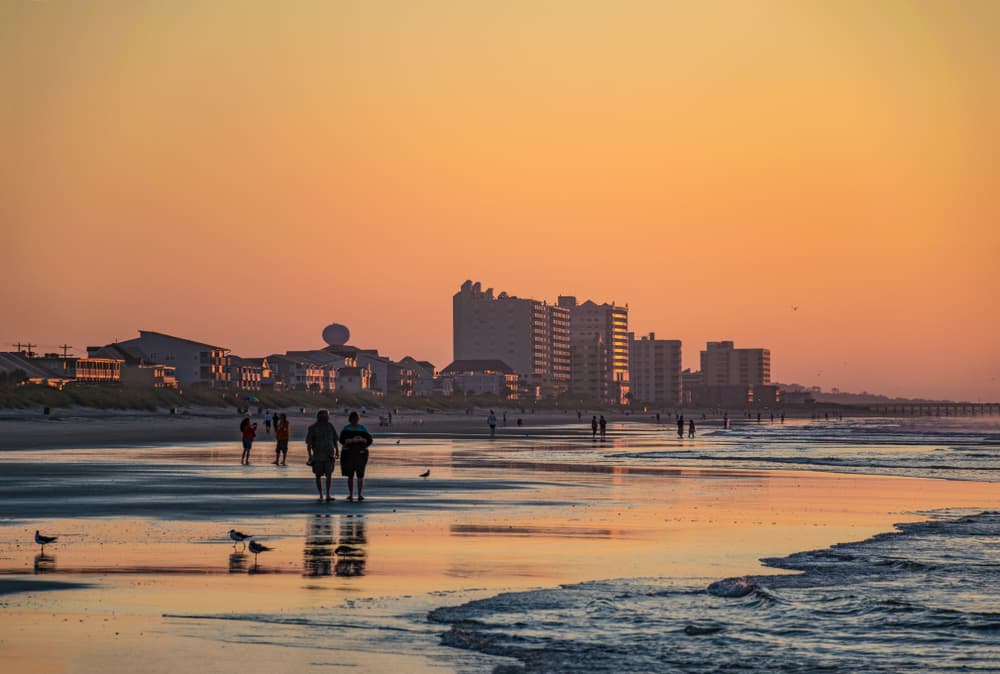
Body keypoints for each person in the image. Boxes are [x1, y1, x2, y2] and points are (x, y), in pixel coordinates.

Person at [339, 411, 373, 502]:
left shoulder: (362, 429)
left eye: (356, 419)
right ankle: (350, 494)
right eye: (353, 419)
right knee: (350, 475)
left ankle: (360, 494)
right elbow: (342, 440)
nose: (355, 421)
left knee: (360, 474)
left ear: (358, 419)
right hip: (348, 453)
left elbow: (369, 440)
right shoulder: (346, 429)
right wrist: (350, 440)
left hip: (361, 453)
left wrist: (362, 440)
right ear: (350, 419)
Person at [306, 410, 339, 502]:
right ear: (320, 417)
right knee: (318, 475)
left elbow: (335, 440)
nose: (327, 418)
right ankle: (321, 494)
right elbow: (309, 444)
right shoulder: (312, 428)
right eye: (326, 416)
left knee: (329, 475)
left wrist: (337, 451)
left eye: (327, 416)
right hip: (317, 455)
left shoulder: (330, 426)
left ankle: (328, 494)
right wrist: (310, 456)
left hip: (329, 455)